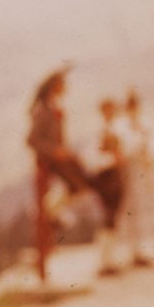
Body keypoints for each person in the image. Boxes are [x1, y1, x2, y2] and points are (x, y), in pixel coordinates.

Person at [115, 89, 154, 267]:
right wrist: (137, 144)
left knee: (148, 207)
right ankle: (134, 250)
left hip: (146, 170)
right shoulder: (121, 124)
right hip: (131, 172)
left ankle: (144, 249)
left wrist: (149, 149)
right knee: (131, 207)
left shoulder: (145, 121)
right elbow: (123, 146)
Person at [26, 67, 94, 221]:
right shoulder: (43, 110)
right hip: (49, 159)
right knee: (78, 183)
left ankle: (54, 208)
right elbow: (32, 139)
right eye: (63, 84)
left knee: (83, 181)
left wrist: (65, 150)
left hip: (59, 156)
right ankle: (51, 208)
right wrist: (55, 151)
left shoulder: (55, 107)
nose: (66, 87)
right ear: (55, 87)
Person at [92, 98, 127, 277]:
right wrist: (114, 159)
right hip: (106, 178)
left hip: (115, 177)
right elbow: (96, 159)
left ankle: (109, 260)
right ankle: (105, 261)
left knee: (111, 219)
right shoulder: (101, 132)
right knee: (108, 218)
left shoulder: (113, 129)